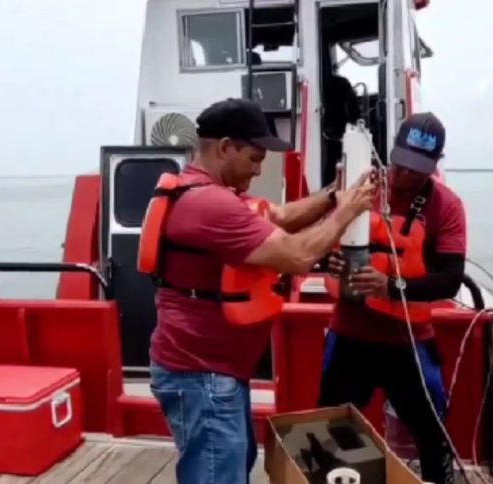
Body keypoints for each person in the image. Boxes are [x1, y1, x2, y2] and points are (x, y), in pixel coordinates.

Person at [147, 97, 377, 484]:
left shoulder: (207, 194)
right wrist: (349, 212)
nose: (257, 170)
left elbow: (283, 217)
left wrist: (335, 196)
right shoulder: (212, 206)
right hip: (201, 374)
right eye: (253, 158)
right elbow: (298, 255)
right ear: (224, 147)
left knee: (231, 465)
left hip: (211, 372)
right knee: (219, 474)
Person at [318, 111, 466, 484]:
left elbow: (449, 280)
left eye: (417, 169)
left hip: (409, 345)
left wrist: (391, 287)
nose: (404, 176)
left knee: (432, 437)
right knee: (330, 430)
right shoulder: (359, 186)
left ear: (434, 166)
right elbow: (318, 244)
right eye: (400, 164)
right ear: (391, 151)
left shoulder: (446, 207)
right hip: (350, 336)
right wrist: (330, 259)